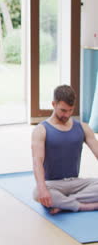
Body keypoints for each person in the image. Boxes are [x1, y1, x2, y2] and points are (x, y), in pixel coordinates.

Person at [32, 85, 98, 214]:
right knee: (36, 192)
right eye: (63, 110)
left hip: (76, 183)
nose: (66, 115)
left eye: (70, 110)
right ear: (53, 104)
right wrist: (42, 188)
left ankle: (65, 204)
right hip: (53, 184)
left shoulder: (83, 128)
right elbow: (37, 162)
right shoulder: (41, 130)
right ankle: (85, 206)